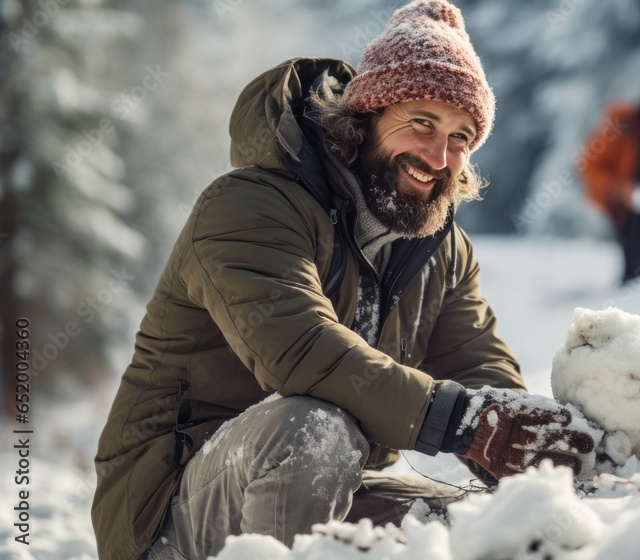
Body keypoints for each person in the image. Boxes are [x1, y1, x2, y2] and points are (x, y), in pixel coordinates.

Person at [91, 2, 597, 559]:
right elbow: (304, 350)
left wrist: (535, 450)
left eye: (460, 138)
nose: (438, 156)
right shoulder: (248, 205)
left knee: (488, 524)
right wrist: (462, 421)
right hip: (170, 511)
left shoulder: (441, 248)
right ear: (363, 120)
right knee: (313, 428)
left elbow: (479, 369)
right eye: (421, 124)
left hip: (332, 487)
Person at [580, 84, 640, 284]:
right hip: (622, 206)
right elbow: (590, 163)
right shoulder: (621, 127)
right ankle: (631, 294)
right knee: (633, 253)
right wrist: (618, 190)